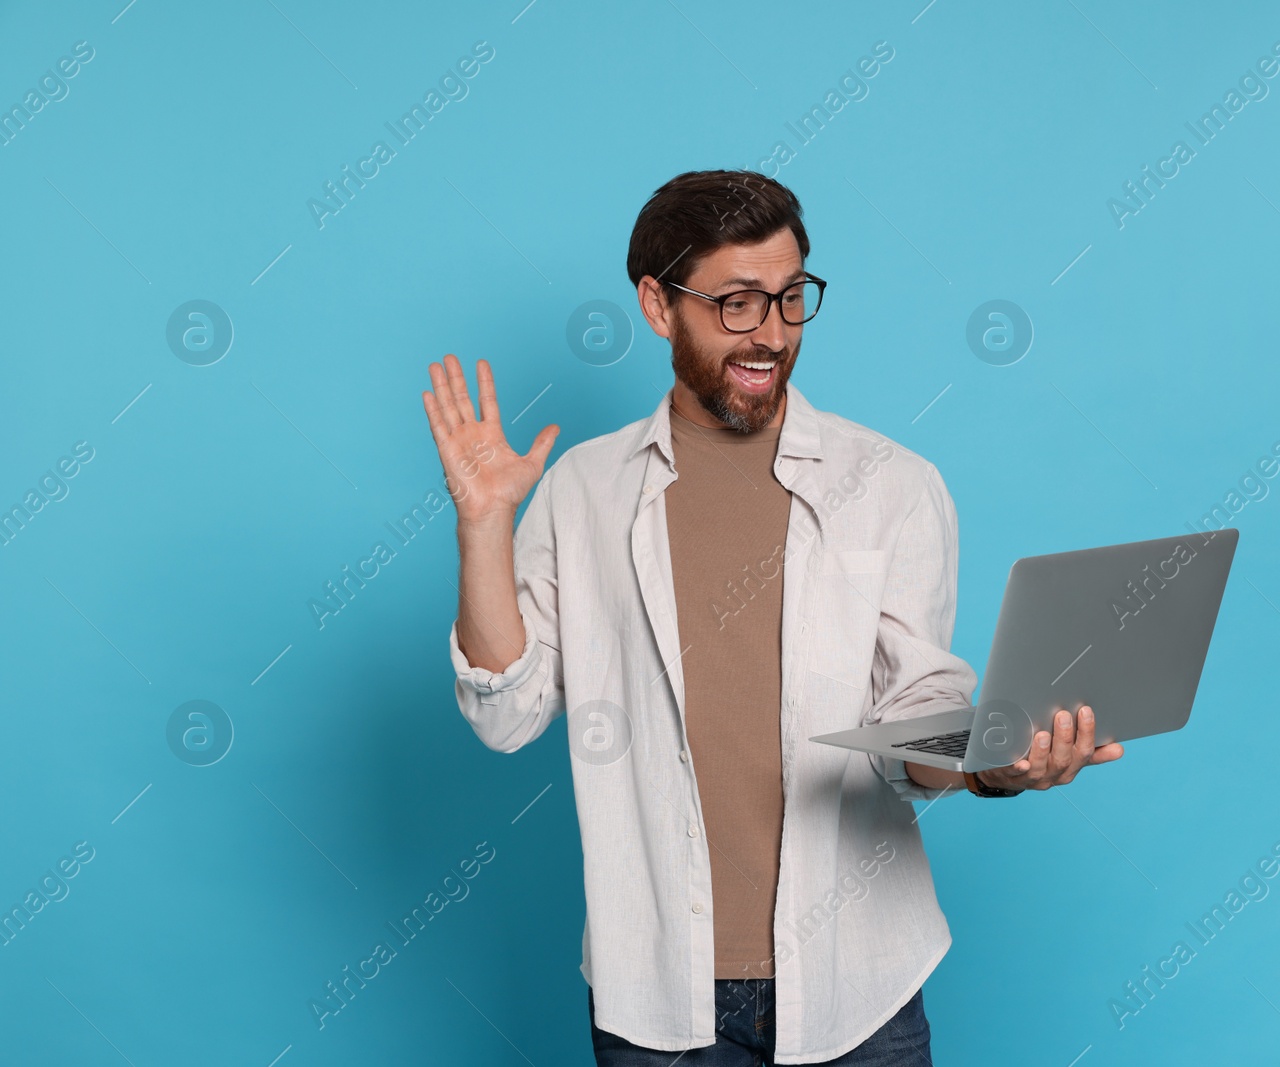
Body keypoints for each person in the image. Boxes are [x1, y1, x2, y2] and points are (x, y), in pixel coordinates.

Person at [422, 170, 1123, 1066]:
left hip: (859, 990)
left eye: (792, 298)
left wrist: (996, 765)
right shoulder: (582, 492)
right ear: (657, 304)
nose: (773, 333)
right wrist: (484, 528)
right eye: (738, 303)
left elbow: (914, 725)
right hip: (657, 997)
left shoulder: (894, 484)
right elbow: (505, 713)